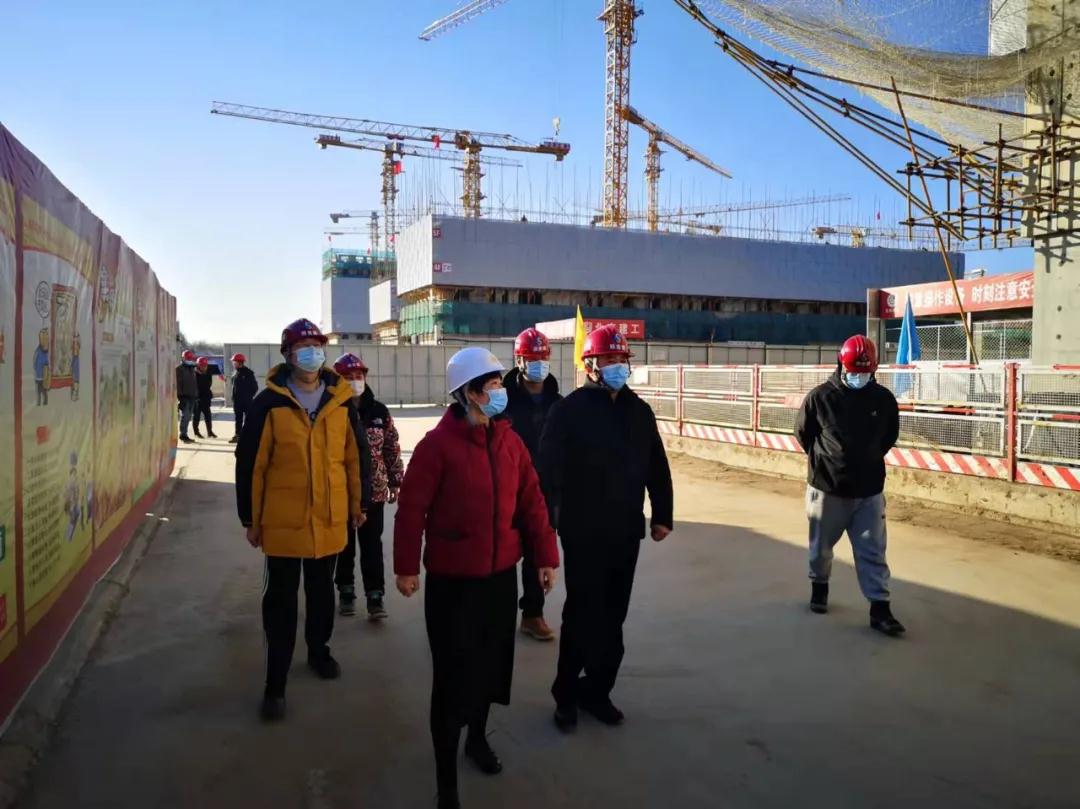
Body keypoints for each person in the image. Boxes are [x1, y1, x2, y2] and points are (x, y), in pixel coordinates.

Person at [394, 347, 559, 809]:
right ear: (468, 393)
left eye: (499, 383)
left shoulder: (510, 443)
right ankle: (446, 780)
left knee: (490, 669)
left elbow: (533, 502)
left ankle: (478, 740)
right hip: (453, 584)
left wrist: (545, 556)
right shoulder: (436, 446)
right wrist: (406, 567)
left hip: (500, 579)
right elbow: (411, 510)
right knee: (452, 681)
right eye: (491, 385)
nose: (500, 392)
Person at [235, 318, 373, 721]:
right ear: (288, 355)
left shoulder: (340, 399)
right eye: (303, 348)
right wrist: (250, 517)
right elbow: (252, 464)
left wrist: (358, 504)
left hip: (329, 518)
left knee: (322, 592)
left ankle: (318, 650)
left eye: (317, 346)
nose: (312, 354)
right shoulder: (269, 402)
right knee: (280, 602)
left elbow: (355, 456)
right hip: (283, 522)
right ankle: (275, 683)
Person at [539, 324, 673, 732]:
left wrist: (662, 514)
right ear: (591, 365)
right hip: (582, 531)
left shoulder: (639, 411)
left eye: (621, 360)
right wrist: (548, 523)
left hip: (625, 530)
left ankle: (597, 691)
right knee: (581, 614)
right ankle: (566, 695)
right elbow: (548, 471)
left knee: (614, 616)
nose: (617, 366)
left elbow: (656, 464)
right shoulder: (568, 411)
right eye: (609, 360)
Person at [794, 334, 906, 637]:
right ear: (841, 366)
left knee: (873, 551)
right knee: (821, 549)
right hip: (827, 489)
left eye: (865, 372)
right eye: (854, 372)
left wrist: (866, 459)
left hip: (869, 491)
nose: (859, 377)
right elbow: (803, 434)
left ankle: (880, 609)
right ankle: (819, 586)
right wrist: (828, 461)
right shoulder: (820, 398)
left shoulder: (883, 400)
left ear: (874, 370)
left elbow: (889, 436)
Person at [332, 352, 403, 620]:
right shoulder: (331, 410)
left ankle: (375, 595)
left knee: (372, 545)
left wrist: (396, 480)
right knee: (343, 545)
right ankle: (346, 591)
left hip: (374, 491)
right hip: (341, 491)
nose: (354, 381)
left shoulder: (379, 411)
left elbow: (391, 447)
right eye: (348, 377)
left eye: (358, 376)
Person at [504, 328, 562, 642]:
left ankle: (532, 614)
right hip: (506, 486)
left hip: (544, 489)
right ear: (519, 360)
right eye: (532, 357)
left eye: (543, 357)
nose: (538, 363)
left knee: (537, 552)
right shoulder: (502, 400)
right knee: (501, 551)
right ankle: (495, 615)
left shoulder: (559, 403)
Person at [230, 352, 258, 444]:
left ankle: (249, 436)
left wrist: (247, 396)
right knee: (238, 419)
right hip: (237, 401)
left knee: (248, 419)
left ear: (240, 362)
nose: (233, 364)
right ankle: (238, 435)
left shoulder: (248, 373)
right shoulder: (235, 373)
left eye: (234, 362)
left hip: (247, 401)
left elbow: (254, 387)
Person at [175, 350, 198, 443]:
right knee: (185, 417)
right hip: (184, 397)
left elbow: (194, 383)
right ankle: (183, 435)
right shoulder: (179, 369)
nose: (189, 360)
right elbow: (178, 384)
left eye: (190, 359)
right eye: (187, 358)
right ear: (183, 358)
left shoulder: (192, 369)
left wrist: (196, 395)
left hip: (192, 396)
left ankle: (185, 434)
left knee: (188, 417)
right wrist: (180, 397)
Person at [193, 356, 218, 438]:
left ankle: (209, 432)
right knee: (196, 416)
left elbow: (209, 384)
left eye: (205, 366)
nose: (204, 367)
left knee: (208, 416)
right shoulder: (194, 374)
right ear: (198, 365)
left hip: (206, 398)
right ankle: (196, 432)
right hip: (197, 398)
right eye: (202, 366)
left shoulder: (208, 373)